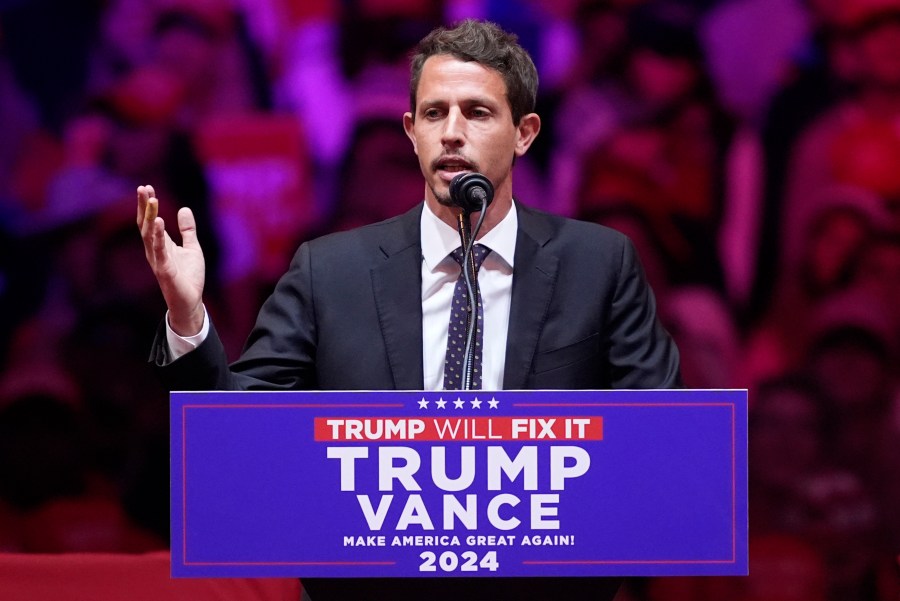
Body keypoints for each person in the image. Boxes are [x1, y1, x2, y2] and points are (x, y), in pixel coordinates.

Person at [137, 18, 680, 601]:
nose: (452, 134)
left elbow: (661, 449)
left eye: (477, 113)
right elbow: (240, 437)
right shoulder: (330, 271)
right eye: (433, 113)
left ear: (524, 133)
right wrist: (188, 320)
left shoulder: (597, 264)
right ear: (411, 131)